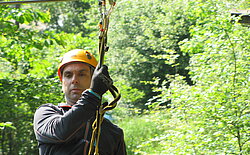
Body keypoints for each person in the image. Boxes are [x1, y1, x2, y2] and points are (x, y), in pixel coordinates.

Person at [33, 49, 127, 155]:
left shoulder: (112, 132)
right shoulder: (46, 113)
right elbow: (60, 132)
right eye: (68, 75)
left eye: (81, 74)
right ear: (62, 80)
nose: (74, 80)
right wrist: (93, 94)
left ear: (94, 79)